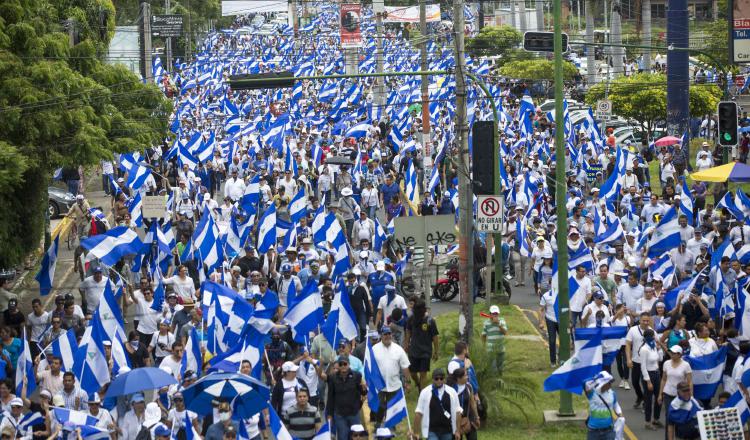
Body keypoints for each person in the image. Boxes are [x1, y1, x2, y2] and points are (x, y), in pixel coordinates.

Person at [371, 326, 411, 426]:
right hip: (379, 384)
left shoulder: (398, 349)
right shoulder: (374, 349)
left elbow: (405, 367)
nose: (387, 336)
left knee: (392, 406)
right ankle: (378, 423)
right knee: (380, 405)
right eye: (385, 334)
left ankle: (391, 425)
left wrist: (408, 382)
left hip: (394, 384)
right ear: (381, 335)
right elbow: (369, 366)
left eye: (389, 334)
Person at [412, 368, 463, 440]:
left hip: (447, 430)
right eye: (436, 379)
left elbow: (458, 412)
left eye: (441, 378)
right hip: (432, 430)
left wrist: (457, 431)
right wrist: (416, 432)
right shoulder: (425, 392)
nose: (439, 381)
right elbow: (418, 413)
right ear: (432, 379)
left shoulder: (452, 392)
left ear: (444, 379)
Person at [325, 355, 366, 440]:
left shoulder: (357, 376)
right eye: (340, 364)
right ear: (338, 366)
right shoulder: (332, 378)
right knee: (342, 437)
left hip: (354, 413)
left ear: (349, 364)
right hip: (340, 414)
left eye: (345, 364)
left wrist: (364, 388)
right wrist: (329, 414)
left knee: (356, 437)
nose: (343, 366)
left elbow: (363, 393)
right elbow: (330, 397)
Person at [404, 299, 439, 389]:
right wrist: (406, 344)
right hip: (413, 350)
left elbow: (435, 337)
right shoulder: (411, 319)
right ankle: (418, 383)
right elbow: (408, 331)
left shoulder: (430, 321)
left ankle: (422, 394)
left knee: (423, 373)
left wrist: (436, 351)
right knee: (412, 373)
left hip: (425, 352)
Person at [583, 372, 623, 440]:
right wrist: (596, 379)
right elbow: (584, 383)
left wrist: (620, 414)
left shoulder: (612, 393)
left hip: (609, 431)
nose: (610, 385)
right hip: (593, 432)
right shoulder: (592, 393)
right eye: (608, 383)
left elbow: (616, 405)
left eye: (611, 382)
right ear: (602, 383)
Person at [658, 346, 693, 419]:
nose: (671, 354)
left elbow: (689, 382)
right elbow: (664, 379)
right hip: (668, 393)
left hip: (680, 394)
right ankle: (668, 430)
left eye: (674, 353)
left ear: (679, 354)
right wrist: (660, 394)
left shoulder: (686, 365)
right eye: (671, 353)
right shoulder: (666, 363)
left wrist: (691, 396)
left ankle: (677, 430)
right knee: (668, 414)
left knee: (679, 414)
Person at [638, 329, 663, 430]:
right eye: (652, 336)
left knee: (659, 397)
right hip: (648, 375)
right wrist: (648, 381)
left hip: (656, 374)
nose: (653, 338)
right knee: (648, 400)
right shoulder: (644, 349)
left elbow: (660, 359)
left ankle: (656, 419)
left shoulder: (653, 347)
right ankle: (647, 422)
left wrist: (660, 349)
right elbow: (643, 367)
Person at [480, 305, 507, 373]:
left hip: (501, 349)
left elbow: (505, 332)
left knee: (500, 369)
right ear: (490, 314)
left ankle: (500, 382)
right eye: (493, 313)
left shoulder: (502, 321)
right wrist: (483, 346)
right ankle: (494, 382)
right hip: (490, 350)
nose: (495, 315)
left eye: (496, 314)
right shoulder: (486, 323)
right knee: (493, 369)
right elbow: (483, 335)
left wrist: (499, 324)